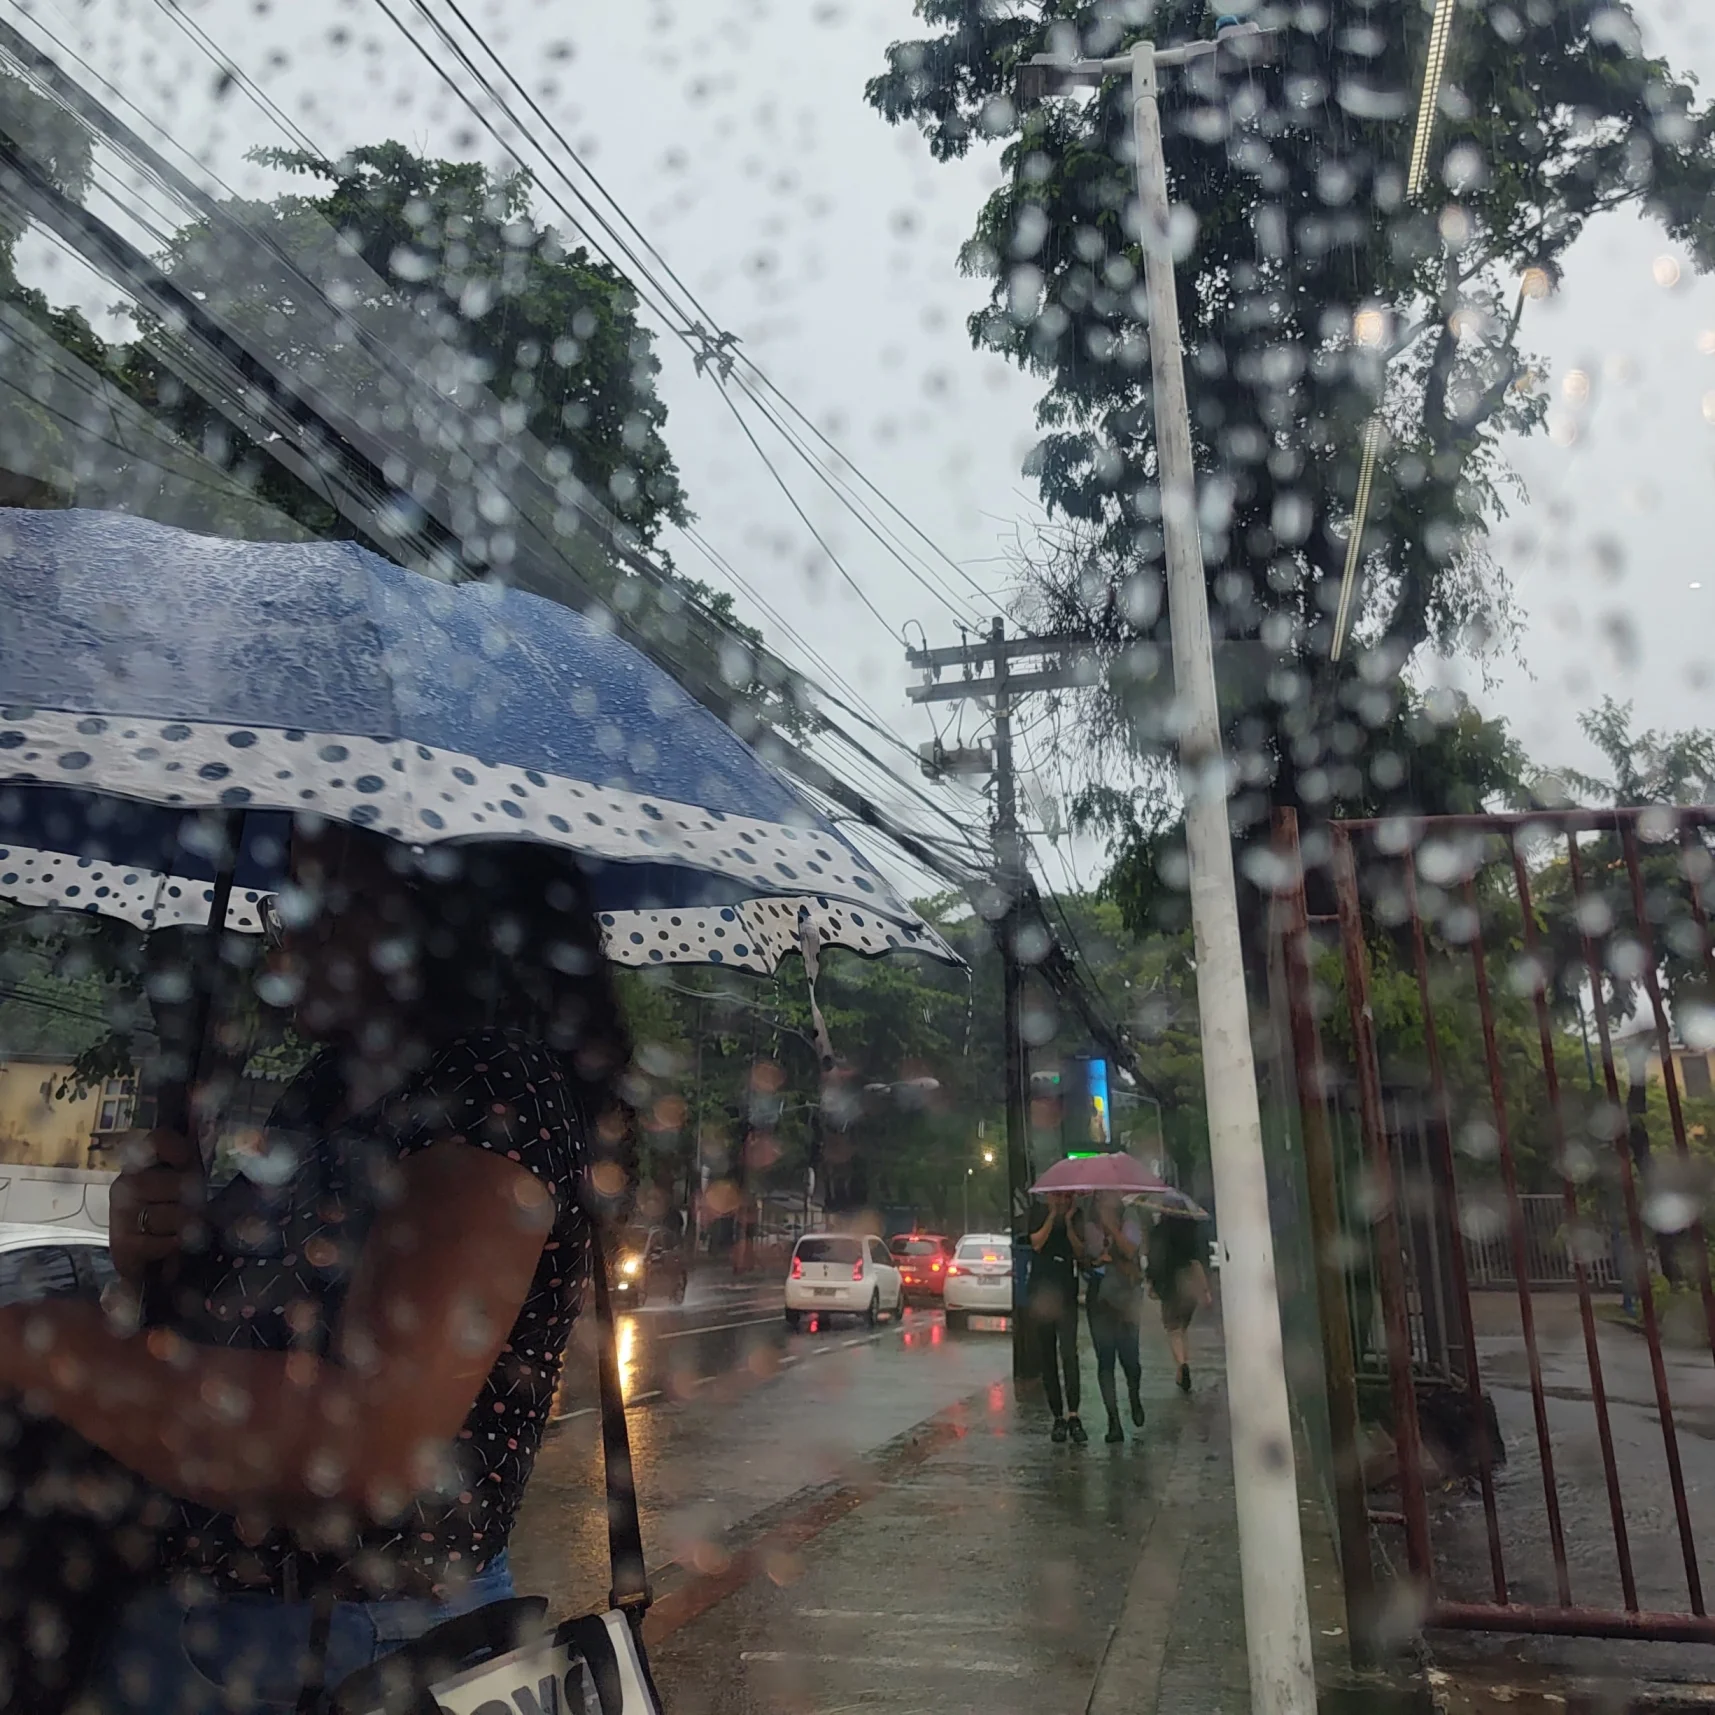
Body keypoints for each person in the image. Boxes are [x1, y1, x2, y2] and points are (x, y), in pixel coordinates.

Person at [0, 821, 635, 1712]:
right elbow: (251, 1350)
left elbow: (369, 1444)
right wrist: (158, 1265)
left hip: (343, 1647)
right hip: (235, 1628)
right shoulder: (332, 1088)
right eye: (282, 895)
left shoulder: (493, 1089)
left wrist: (41, 1344)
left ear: (431, 912)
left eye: (317, 894)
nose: (282, 928)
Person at [1082, 1192, 1145, 1443]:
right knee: (1105, 1360)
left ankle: (1134, 1397)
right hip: (1100, 1298)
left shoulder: (1130, 1217)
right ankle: (1113, 1421)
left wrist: (1112, 1229)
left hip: (1126, 1296)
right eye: (1098, 1198)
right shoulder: (1089, 1224)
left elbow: (1129, 1250)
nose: (1103, 1202)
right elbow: (1090, 1255)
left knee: (1130, 1360)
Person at [1026, 1191, 1087, 1444]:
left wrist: (1070, 1222)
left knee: (1069, 1354)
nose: (1062, 1201)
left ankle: (1074, 1414)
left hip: (1065, 1295)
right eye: (1057, 1197)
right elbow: (1037, 1243)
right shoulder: (1038, 1213)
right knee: (1047, 1356)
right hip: (1041, 1294)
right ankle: (1057, 1417)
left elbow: (1080, 1251)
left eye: (1066, 1197)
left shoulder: (1077, 1217)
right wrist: (1052, 1215)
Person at [1147, 1209, 1213, 1393]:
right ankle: (1182, 1366)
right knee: (1183, 1327)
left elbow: (1154, 1260)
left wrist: (1151, 1283)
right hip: (1189, 1281)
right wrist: (1205, 1290)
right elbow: (1197, 1260)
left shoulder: (1159, 1231)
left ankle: (1181, 1365)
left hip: (1168, 1283)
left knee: (1173, 1329)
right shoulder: (1191, 1230)